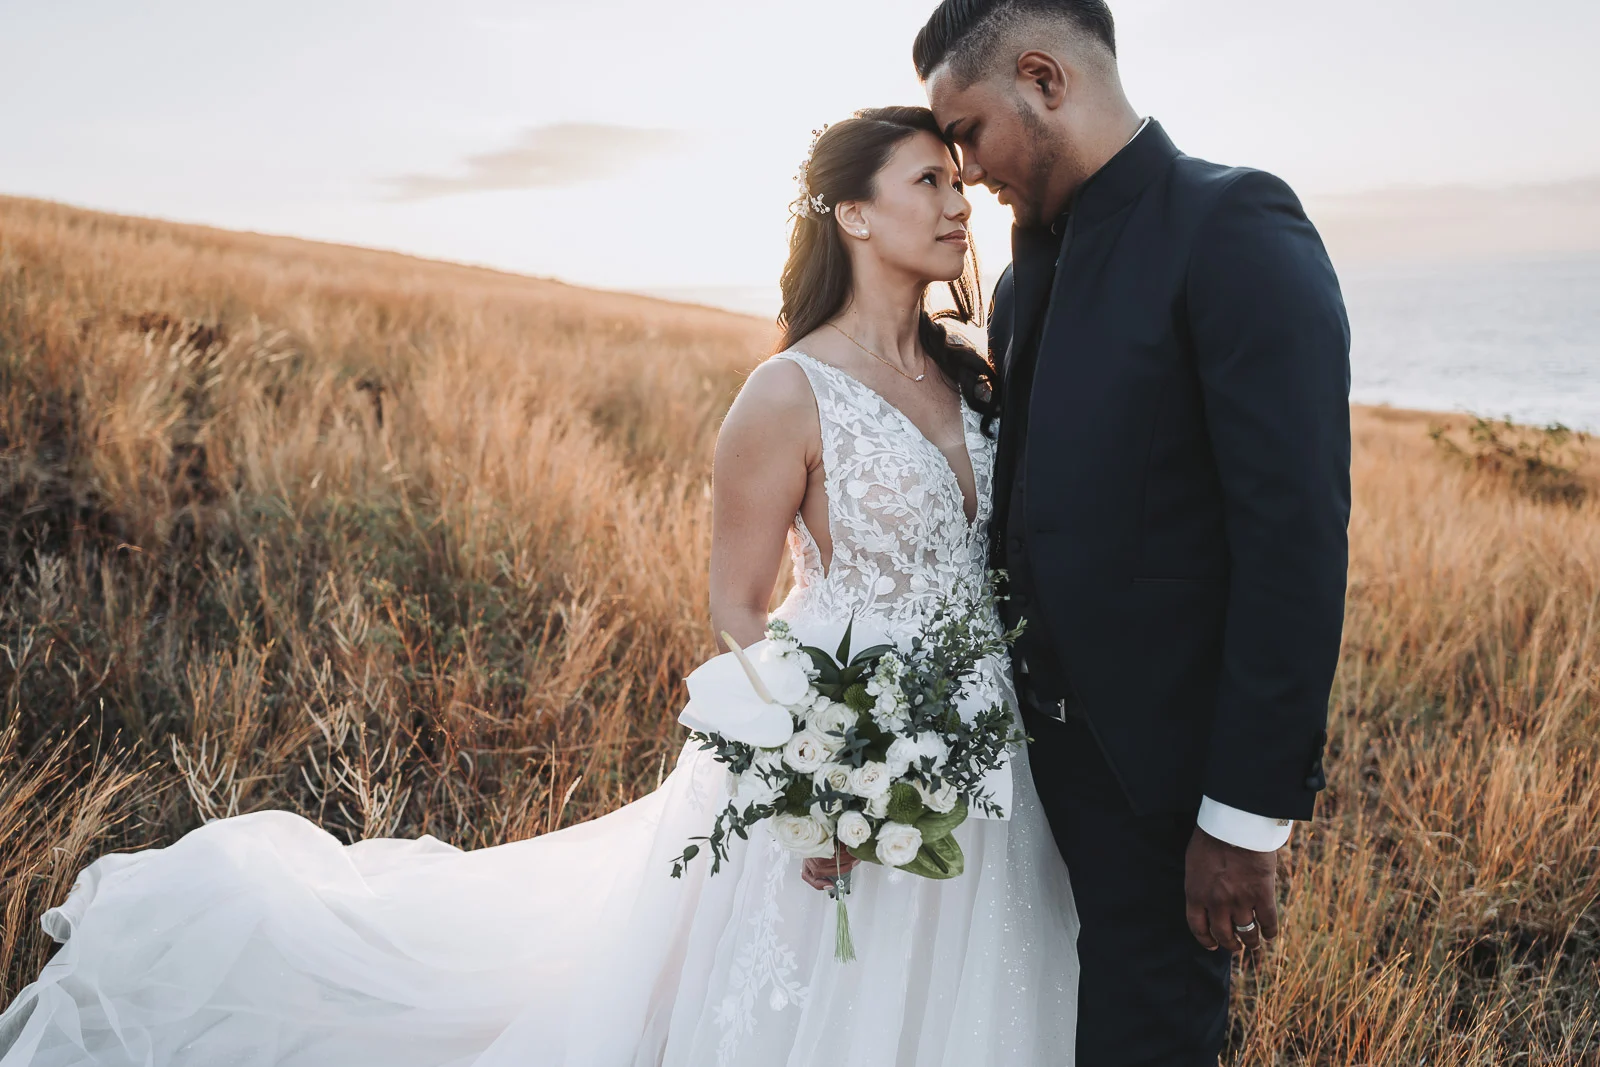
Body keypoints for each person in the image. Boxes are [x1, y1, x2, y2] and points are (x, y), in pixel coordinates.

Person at [0, 107, 1080, 1067]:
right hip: (849, 741)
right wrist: (819, 777)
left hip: (989, 741)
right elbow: (740, 608)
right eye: (927, 182)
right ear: (852, 213)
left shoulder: (975, 369)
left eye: (957, 181)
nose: (958, 204)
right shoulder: (786, 392)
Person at [915, 1, 1352, 1064]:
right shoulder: (1018, 285)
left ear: (1043, 77)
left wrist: (1241, 819)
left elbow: (1293, 538)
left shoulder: (1232, 224)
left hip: (1161, 792)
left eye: (967, 131)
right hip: (1018, 776)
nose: (961, 170)